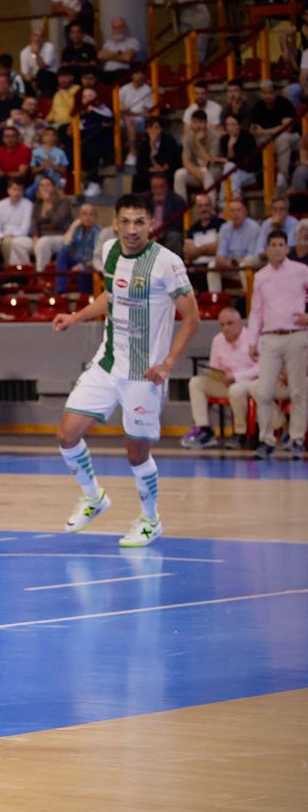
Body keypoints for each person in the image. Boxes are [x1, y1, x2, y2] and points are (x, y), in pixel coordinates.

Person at [53, 193, 199, 547]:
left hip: (144, 373)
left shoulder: (167, 264)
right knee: (66, 434)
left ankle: (150, 520)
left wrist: (167, 364)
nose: (132, 229)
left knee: (136, 453)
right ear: (115, 223)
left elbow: (192, 319)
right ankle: (94, 497)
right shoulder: (110, 251)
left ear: (151, 224)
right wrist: (76, 316)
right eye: (126, 222)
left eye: (139, 222)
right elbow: (110, 296)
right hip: (108, 362)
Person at [246, 230, 308, 459]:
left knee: (299, 390)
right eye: (273, 245)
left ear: (287, 247)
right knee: (263, 391)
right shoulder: (261, 276)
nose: (278, 248)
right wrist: (252, 341)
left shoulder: (302, 271)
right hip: (270, 337)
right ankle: (266, 439)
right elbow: (256, 312)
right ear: (267, 249)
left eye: (281, 244)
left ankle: (297, 439)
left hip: (297, 335)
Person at [181, 307, 269, 449]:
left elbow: (262, 367)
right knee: (196, 382)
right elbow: (214, 366)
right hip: (225, 382)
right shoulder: (218, 340)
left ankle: (240, 432)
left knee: (236, 390)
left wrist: (235, 376)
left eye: (229, 323)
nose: (225, 328)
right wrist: (220, 373)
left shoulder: (253, 339)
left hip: (249, 382)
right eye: (222, 325)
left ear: (240, 323)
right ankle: (204, 429)